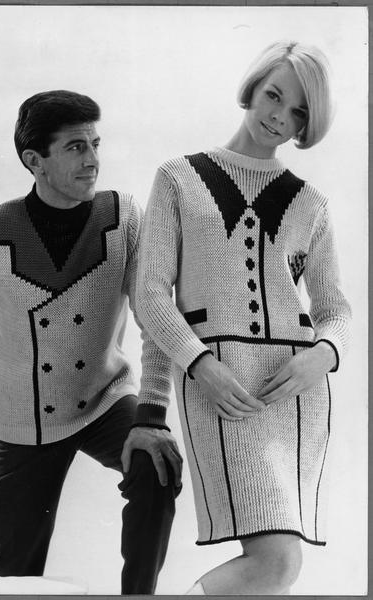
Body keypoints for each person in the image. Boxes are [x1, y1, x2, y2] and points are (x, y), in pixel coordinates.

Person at [0, 89, 182, 595]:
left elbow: (157, 315)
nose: (93, 160)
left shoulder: (124, 217)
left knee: (158, 465)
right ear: (35, 161)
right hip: (24, 421)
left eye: (96, 143)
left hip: (106, 400)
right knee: (13, 576)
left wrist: (151, 415)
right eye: (76, 147)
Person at [136, 41, 351, 595]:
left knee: (277, 570)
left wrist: (322, 356)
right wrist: (200, 365)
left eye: (298, 111)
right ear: (253, 88)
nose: (279, 116)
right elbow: (151, 295)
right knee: (276, 562)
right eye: (274, 95)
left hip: (296, 397)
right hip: (221, 387)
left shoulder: (311, 203)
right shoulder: (179, 178)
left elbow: (335, 311)